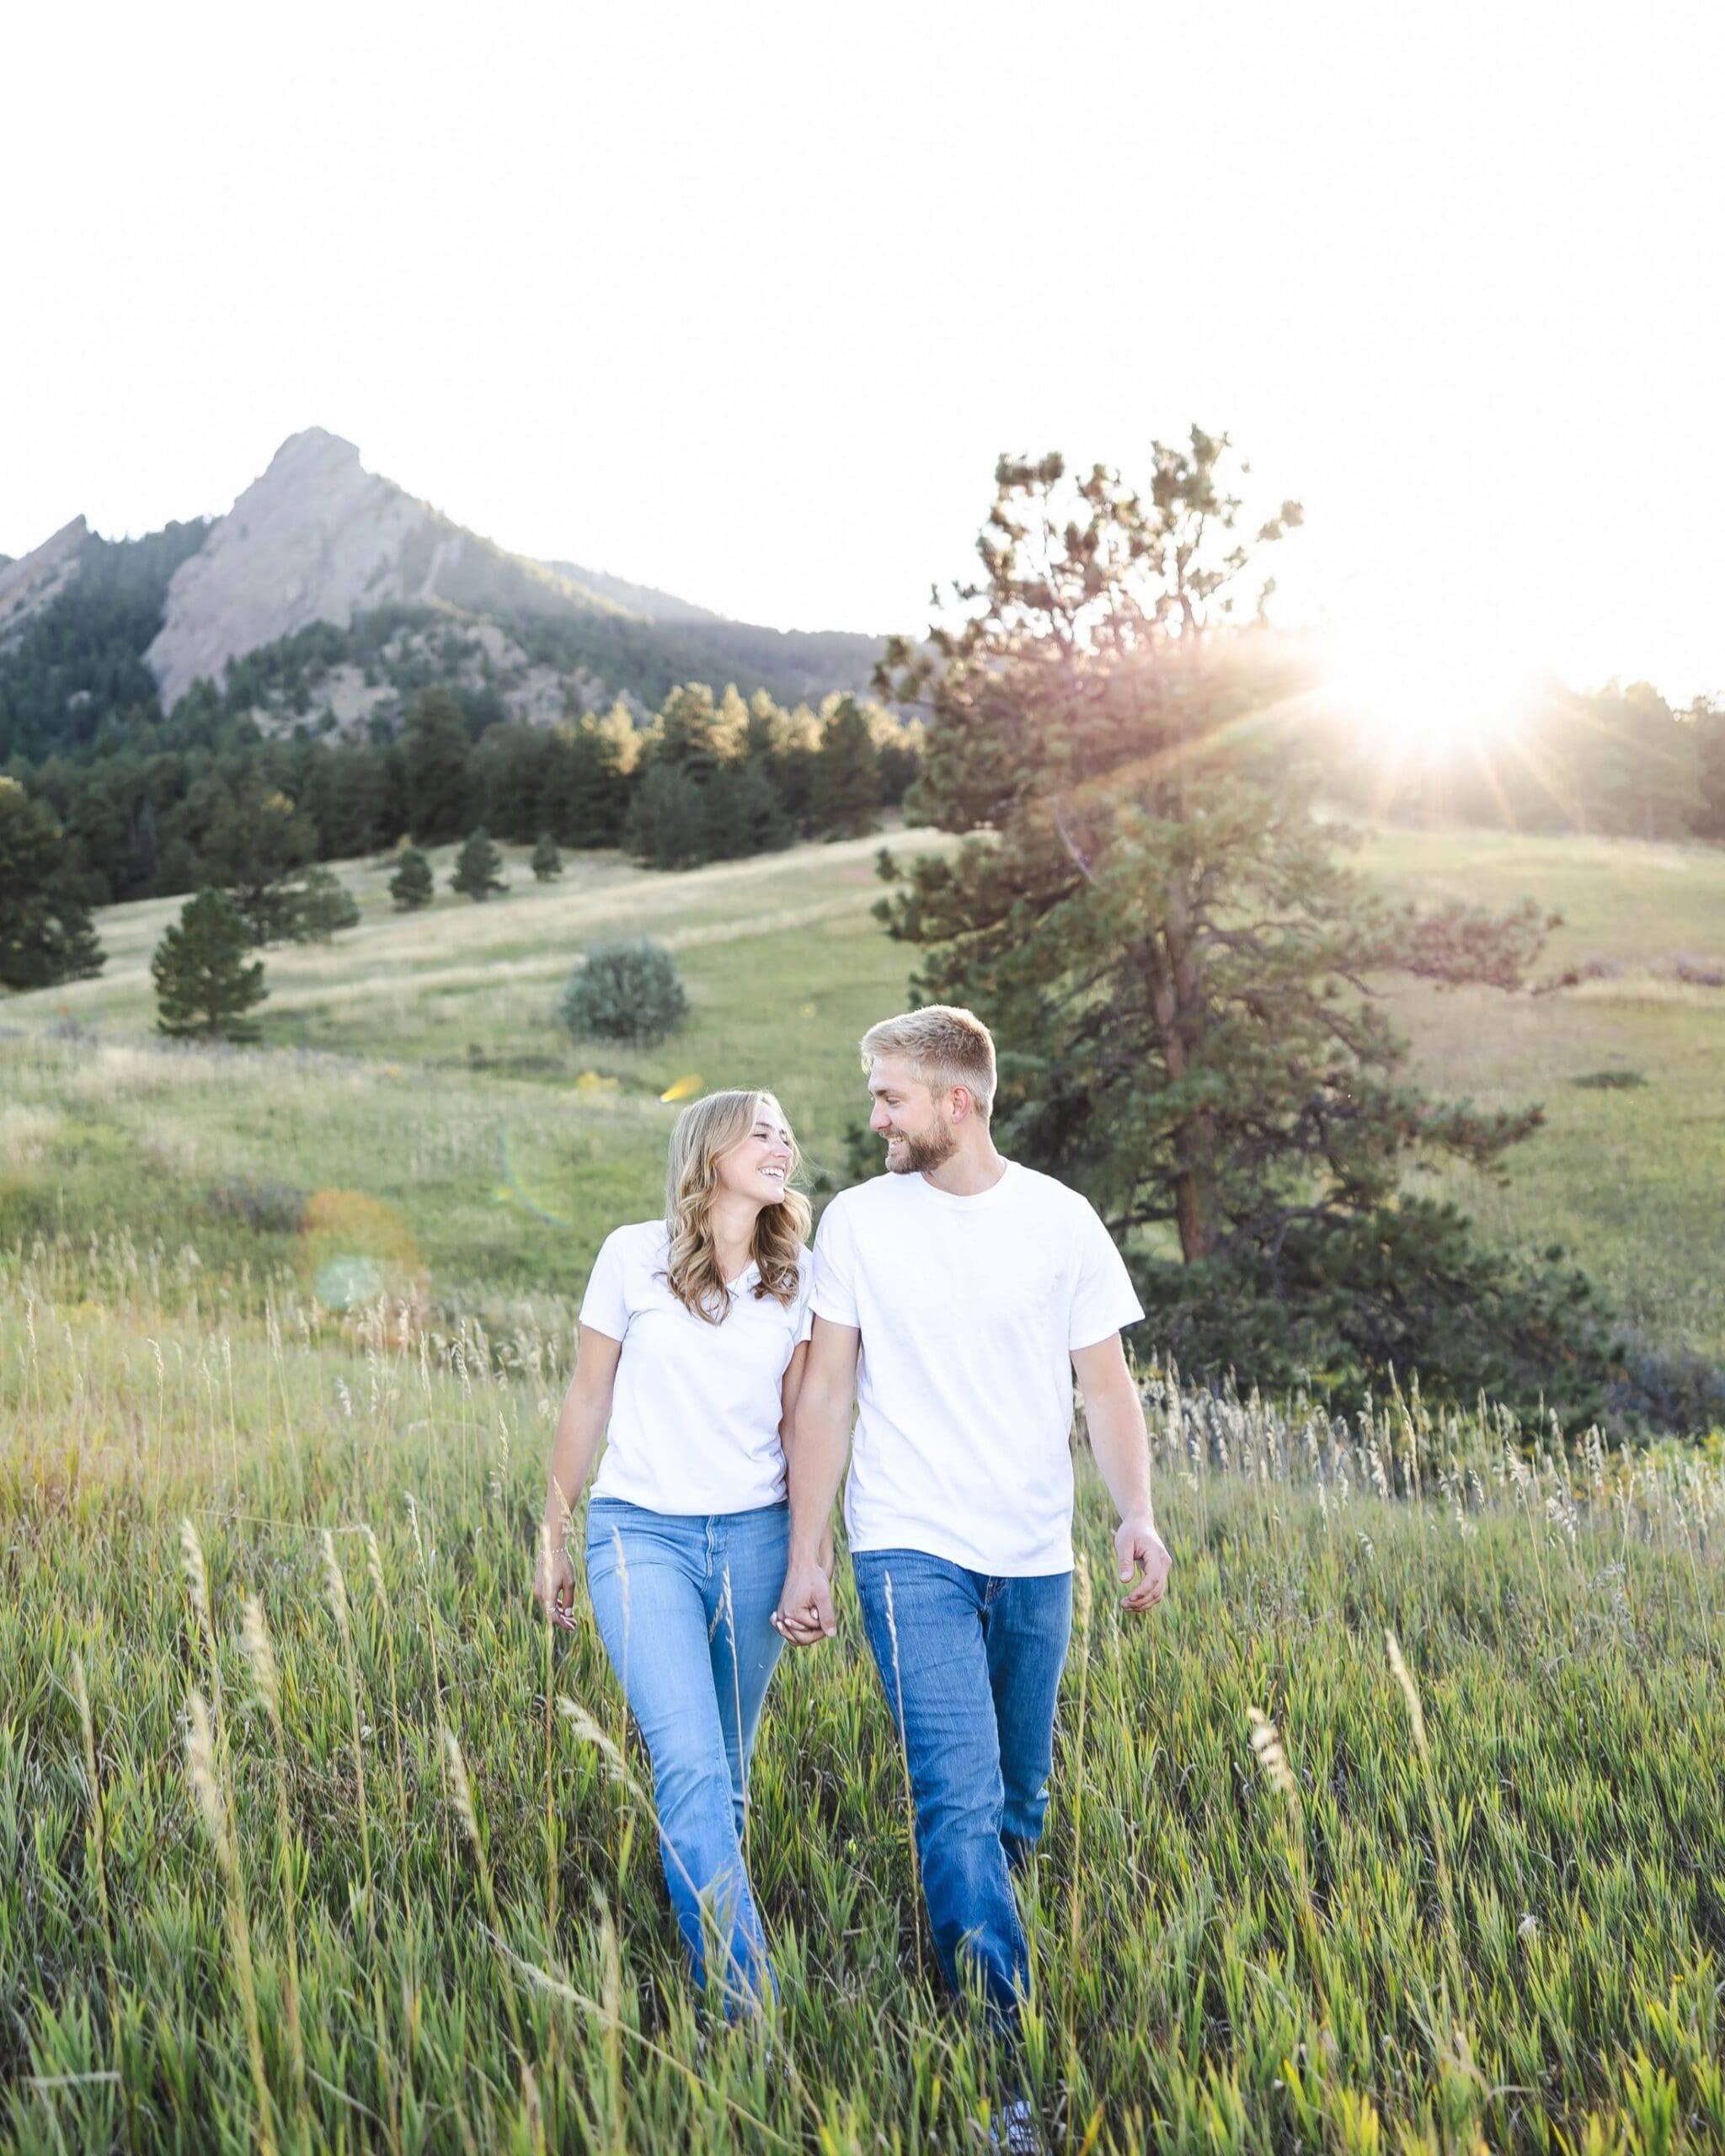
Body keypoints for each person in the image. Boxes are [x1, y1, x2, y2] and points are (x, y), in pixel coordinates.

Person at [774, 1007, 1172, 2077]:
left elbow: (1105, 1388)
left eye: (889, 1097)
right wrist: (809, 1553)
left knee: (1014, 1800)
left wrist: (1134, 1512)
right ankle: (1002, 2061)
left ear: (957, 1102)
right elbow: (825, 1392)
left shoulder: (1059, 1219)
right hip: (905, 1544)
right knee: (955, 1793)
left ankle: (979, 1931)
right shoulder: (859, 1222)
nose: (874, 1117)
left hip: (1035, 1552)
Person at [535, 1088, 814, 2014]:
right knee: (690, 1762)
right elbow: (587, 1398)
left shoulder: (798, 1277)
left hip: (757, 1536)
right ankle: (747, 2007)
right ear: (709, 1151)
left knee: (724, 1772)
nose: (782, 1146)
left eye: (786, 1135)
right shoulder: (631, 1255)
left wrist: (809, 1555)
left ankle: (704, 1940)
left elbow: (803, 1424)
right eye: (761, 1132)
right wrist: (551, 1534)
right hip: (639, 1533)